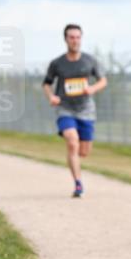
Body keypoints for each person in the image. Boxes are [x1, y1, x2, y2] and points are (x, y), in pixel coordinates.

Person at [42, 24, 107, 198]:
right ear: (66, 39)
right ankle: (78, 184)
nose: (75, 40)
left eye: (78, 37)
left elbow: (103, 81)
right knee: (72, 141)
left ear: (81, 39)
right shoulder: (57, 63)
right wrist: (51, 97)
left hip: (86, 109)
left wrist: (92, 89)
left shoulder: (89, 61)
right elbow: (46, 84)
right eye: (71, 37)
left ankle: (75, 158)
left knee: (83, 151)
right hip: (65, 108)